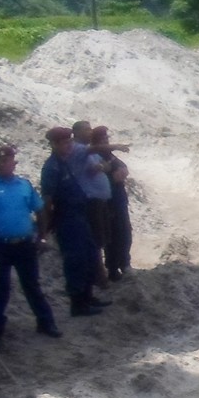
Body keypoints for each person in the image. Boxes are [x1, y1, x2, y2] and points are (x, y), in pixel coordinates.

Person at [0, 144, 61, 345]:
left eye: (5, 161)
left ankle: (46, 322)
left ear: (14, 163)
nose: (1, 165)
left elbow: (39, 210)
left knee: (32, 285)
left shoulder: (24, 186)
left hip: (24, 245)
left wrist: (42, 236)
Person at [40, 127, 108, 319]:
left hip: (79, 216)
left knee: (88, 255)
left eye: (70, 142)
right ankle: (78, 303)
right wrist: (44, 230)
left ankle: (88, 296)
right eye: (64, 143)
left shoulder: (64, 163)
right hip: (66, 219)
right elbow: (47, 200)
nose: (69, 146)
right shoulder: (52, 168)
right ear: (54, 145)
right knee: (75, 260)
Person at [70, 120, 113, 286]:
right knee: (94, 240)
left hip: (99, 201)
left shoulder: (89, 151)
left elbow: (104, 167)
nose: (90, 132)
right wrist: (114, 147)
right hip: (90, 201)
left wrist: (103, 166)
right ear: (77, 132)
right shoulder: (80, 149)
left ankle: (99, 274)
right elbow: (95, 168)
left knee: (100, 239)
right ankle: (98, 277)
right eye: (87, 130)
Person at [90, 125, 134, 281]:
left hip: (119, 200)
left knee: (124, 232)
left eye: (106, 138)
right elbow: (95, 177)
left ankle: (125, 263)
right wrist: (111, 176)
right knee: (112, 235)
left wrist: (122, 170)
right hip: (107, 203)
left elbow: (120, 165)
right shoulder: (94, 157)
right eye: (102, 139)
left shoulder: (109, 155)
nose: (106, 142)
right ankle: (113, 268)